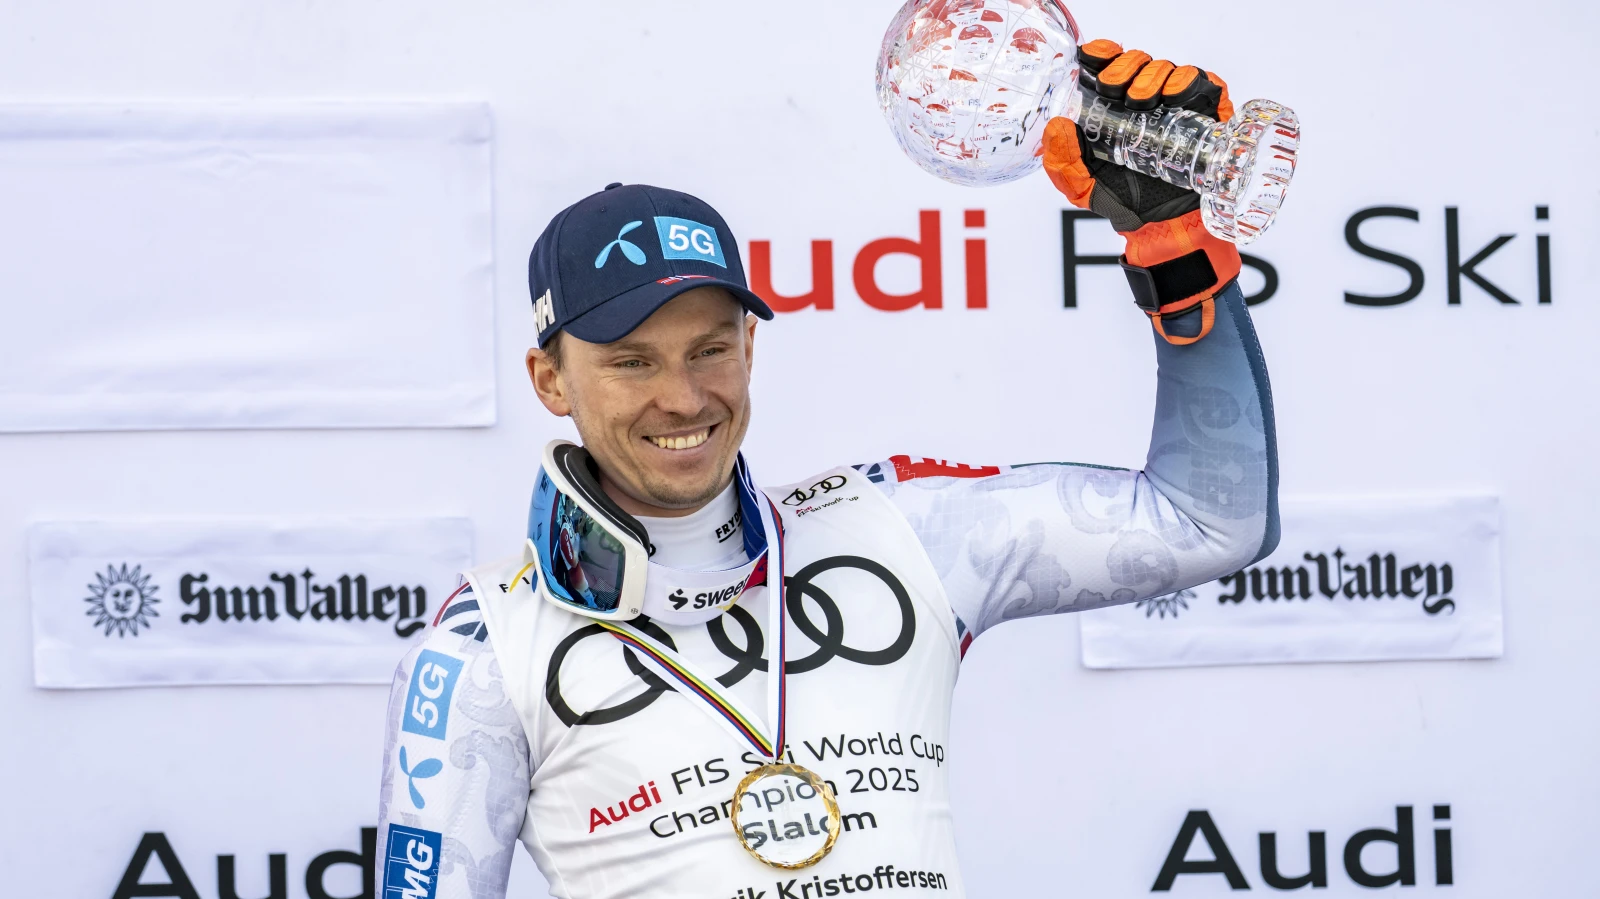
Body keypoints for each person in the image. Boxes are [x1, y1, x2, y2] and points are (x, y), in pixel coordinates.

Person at [378, 42, 1278, 899]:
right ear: (549, 380)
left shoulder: (898, 531)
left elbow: (1209, 521)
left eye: (709, 349)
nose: (683, 398)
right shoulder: (481, 649)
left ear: (750, 345)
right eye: (631, 362)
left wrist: (1175, 251)